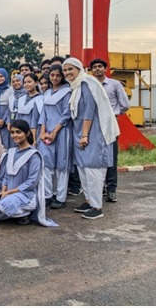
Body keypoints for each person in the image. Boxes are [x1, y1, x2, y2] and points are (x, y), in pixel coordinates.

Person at [63, 58, 119, 220]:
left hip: (93, 133)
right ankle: (88, 201)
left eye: (70, 69)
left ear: (79, 69)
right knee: (83, 168)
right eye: (65, 70)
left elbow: (89, 110)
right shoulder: (76, 86)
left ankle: (97, 206)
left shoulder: (87, 83)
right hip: (81, 133)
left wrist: (85, 134)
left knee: (93, 170)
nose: (67, 73)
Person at [0, 120, 57, 227]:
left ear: (27, 133)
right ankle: (13, 211)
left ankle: (26, 213)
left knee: (4, 205)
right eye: (12, 132)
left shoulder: (34, 155)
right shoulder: (11, 152)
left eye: (18, 132)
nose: (14, 135)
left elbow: (31, 182)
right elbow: (6, 175)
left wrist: (9, 192)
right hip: (9, 194)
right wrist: (3, 191)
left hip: (26, 195)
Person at [90, 58, 130, 203]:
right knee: (96, 157)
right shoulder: (89, 85)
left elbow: (125, 104)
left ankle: (111, 189)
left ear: (105, 69)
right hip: (93, 125)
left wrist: (113, 115)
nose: (97, 69)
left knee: (111, 157)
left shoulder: (114, 84)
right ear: (91, 70)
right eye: (94, 67)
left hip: (110, 124)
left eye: (100, 66)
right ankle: (99, 187)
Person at [37, 64, 72, 209]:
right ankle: (48, 194)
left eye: (58, 75)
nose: (55, 78)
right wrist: (42, 132)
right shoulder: (46, 93)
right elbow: (43, 114)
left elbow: (66, 115)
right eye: (52, 75)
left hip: (61, 132)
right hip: (46, 133)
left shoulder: (67, 92)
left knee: (61, 165)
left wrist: (54, 132)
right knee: (46, 164)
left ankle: (60, 197)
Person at [15, 74, 44, 142]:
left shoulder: (40, 99)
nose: (27, 84)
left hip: (34, 131)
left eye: (29, 82)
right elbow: (18, 116)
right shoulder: (21, 98)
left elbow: (35, 119)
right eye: (25, 82)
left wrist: (33, 137)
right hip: (20, 130)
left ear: (36, 83)